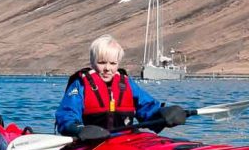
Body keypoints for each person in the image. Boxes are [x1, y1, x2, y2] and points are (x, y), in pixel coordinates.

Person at [55, 34, 188, 141]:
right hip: (91, 143)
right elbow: (67, 114)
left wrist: (164, 115)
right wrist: (78, 129)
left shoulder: (126, 84)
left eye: (113, 63)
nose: (107, 68)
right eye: (102, 63)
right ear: (92, 62)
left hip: (126, 141)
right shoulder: (81, 84)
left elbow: (147, 108)